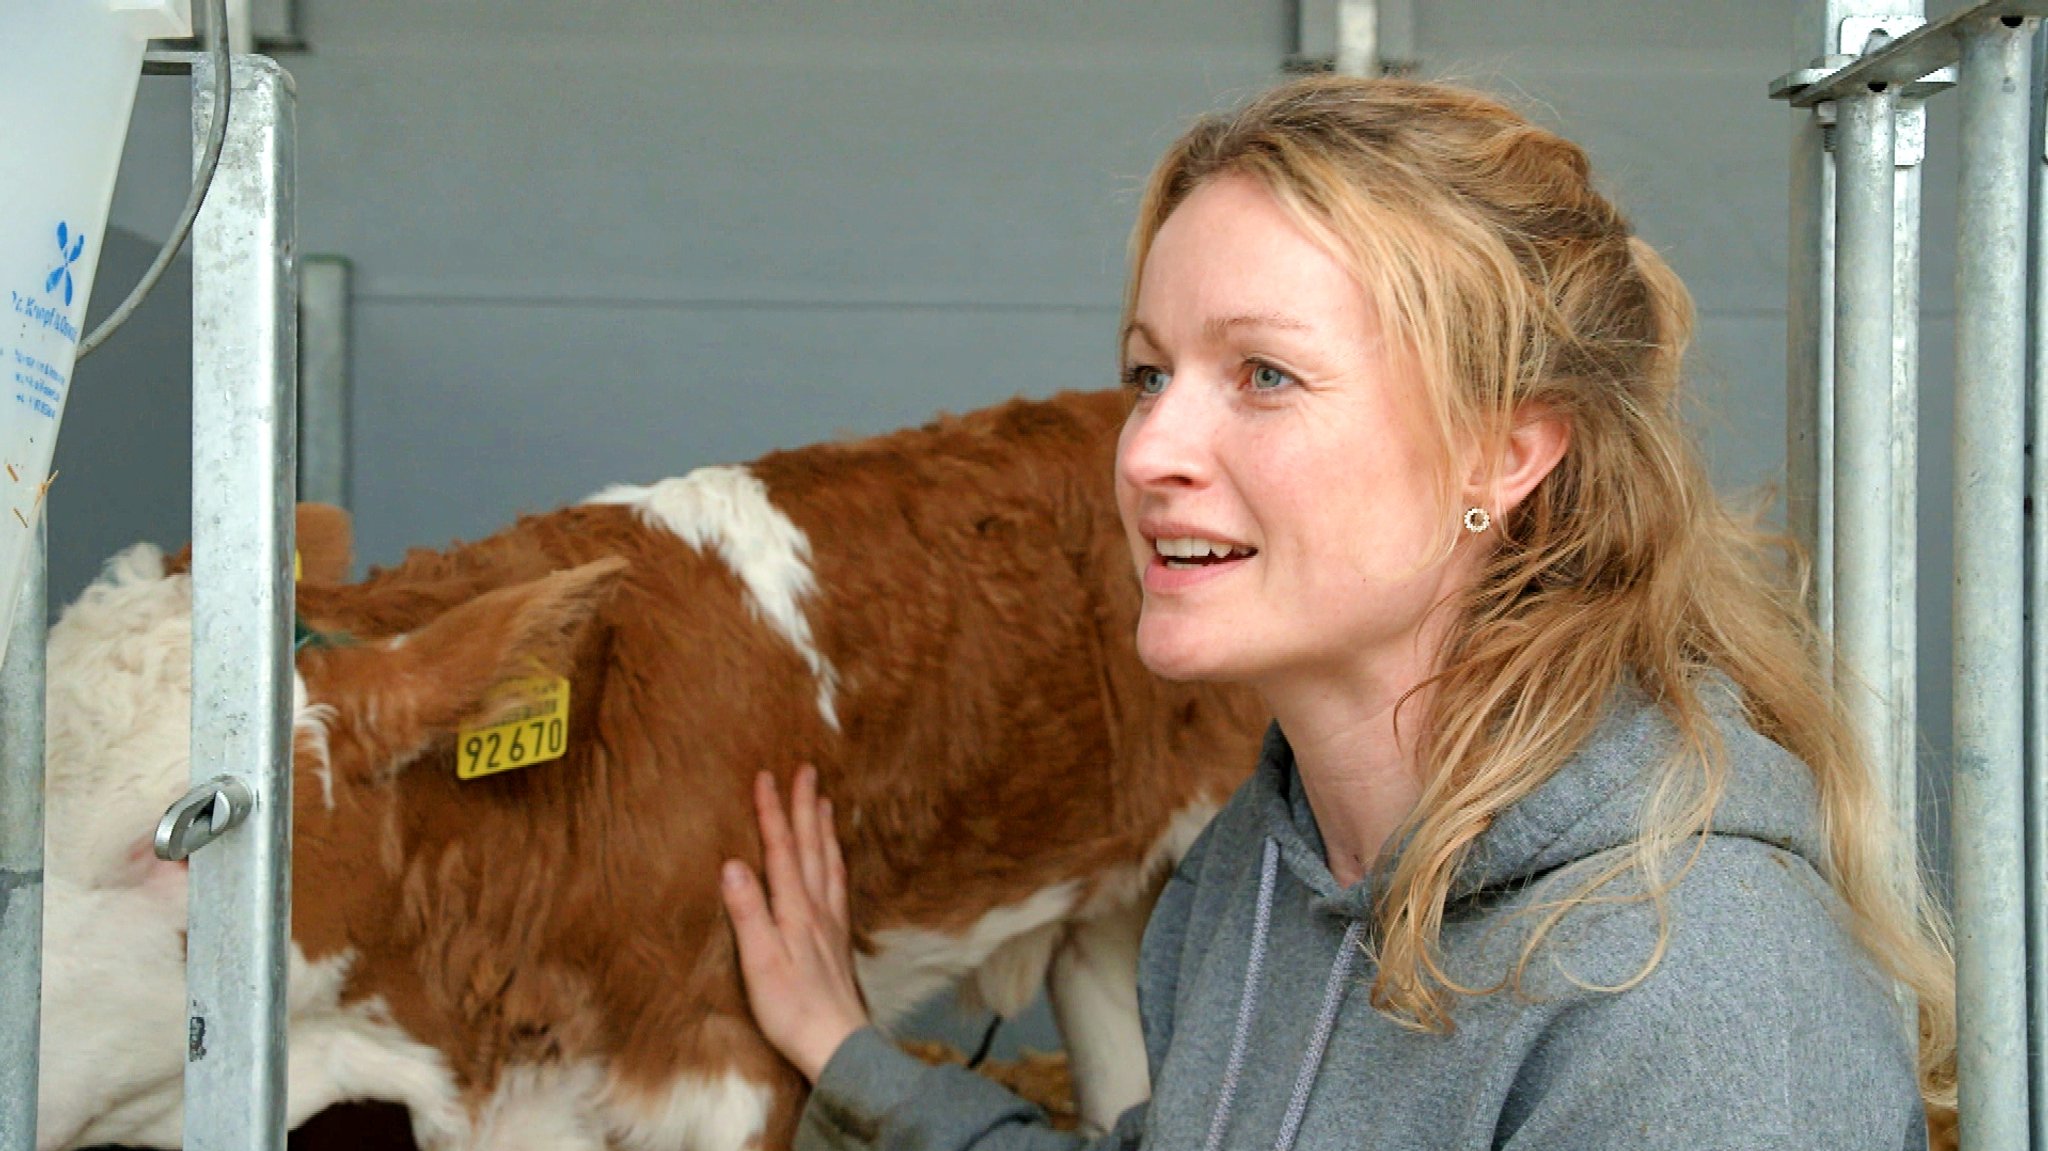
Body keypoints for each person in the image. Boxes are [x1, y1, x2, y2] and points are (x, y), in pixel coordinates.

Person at [717, 74, 1956, 1150]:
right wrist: (850, 1057)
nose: (1146, 447)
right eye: (1148, 372)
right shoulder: (1257, 869)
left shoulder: (1693, 990)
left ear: (1500, 450)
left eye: (1263, 374)